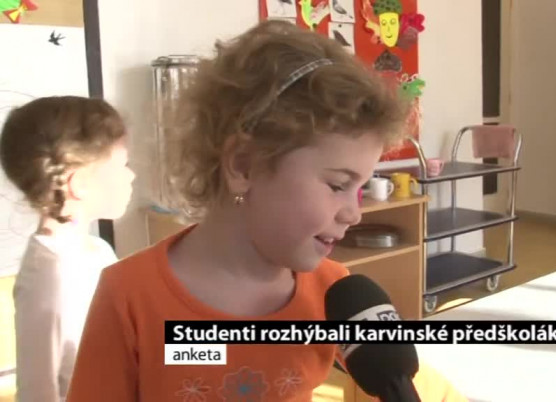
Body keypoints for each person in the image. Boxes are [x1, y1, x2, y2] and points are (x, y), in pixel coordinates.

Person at [67, 20, 466, 401]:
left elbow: (408, 381)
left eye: (360, 188)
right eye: (337, 185)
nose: (354, 214)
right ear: (244, 165)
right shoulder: (130, 297)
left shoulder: (335, 293)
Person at [0, 96, 135, 401]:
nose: (131, 176)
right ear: (79, 184)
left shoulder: (98, 251)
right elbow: (36, 393)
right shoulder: (48, 277)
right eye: (123, 165)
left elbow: (131, 341)